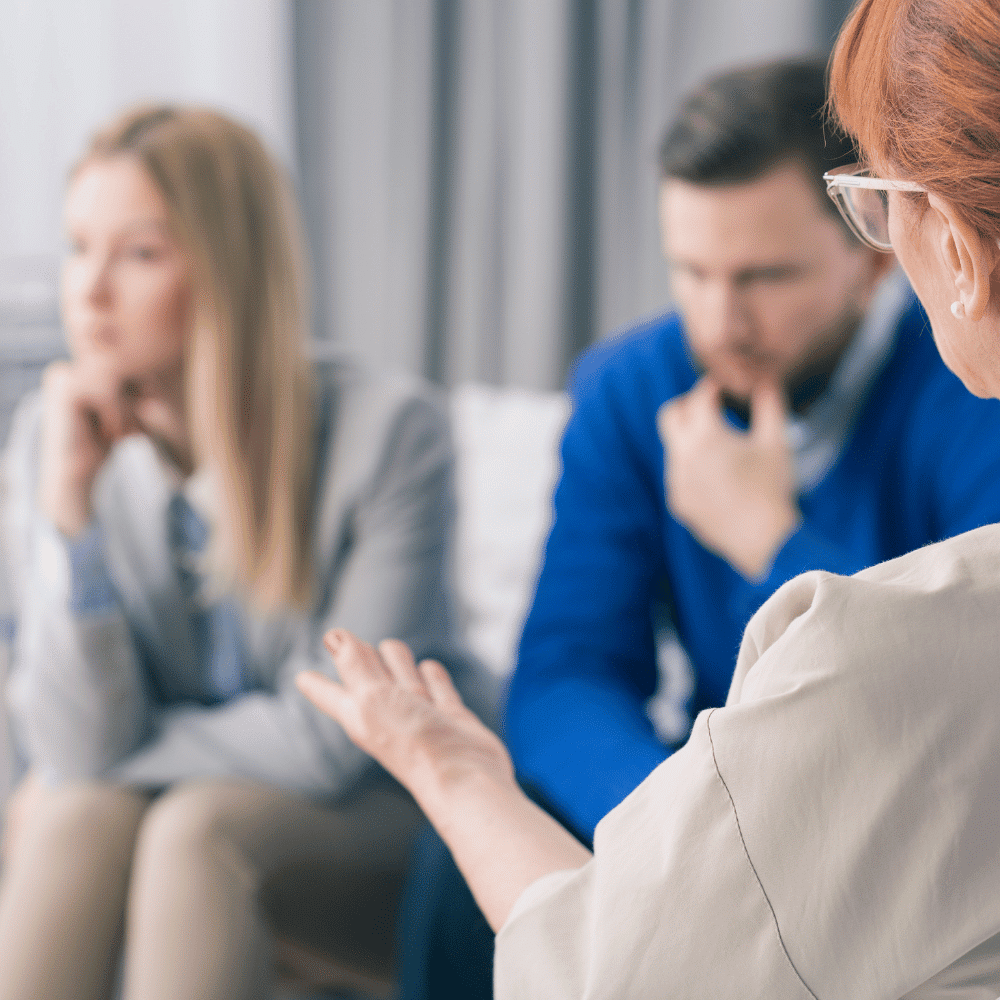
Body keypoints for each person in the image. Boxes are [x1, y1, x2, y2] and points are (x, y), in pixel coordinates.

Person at [298, 0, 1000, 995]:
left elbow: (936, 679)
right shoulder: (633, 387)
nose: (722, 319)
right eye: (692, 274)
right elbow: (565, 672)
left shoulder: (965, 388)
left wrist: (773, 536)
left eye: (762, 276)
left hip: (884, 796)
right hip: (722, 779)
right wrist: (676, 830)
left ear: (869, 256)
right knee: (459, 874)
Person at [0, 105, 488, 1000]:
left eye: (138, 254)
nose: (89, 291)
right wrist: (69, 519)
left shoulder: (390, 435)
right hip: (180, 794)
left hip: (382, 817)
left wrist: (122, 751)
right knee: (72, 816)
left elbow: (331, 737)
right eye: (79, 247)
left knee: (194, 828)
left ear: (227, 272)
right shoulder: (52, 438)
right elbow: (68, 741)